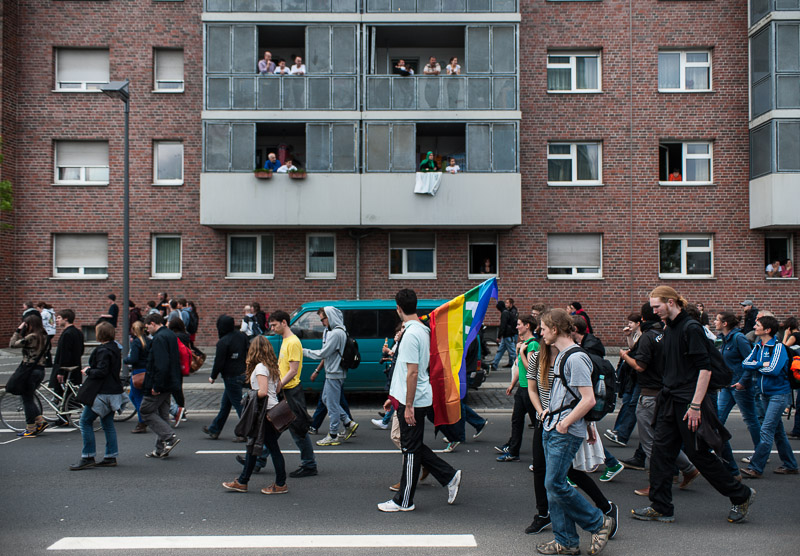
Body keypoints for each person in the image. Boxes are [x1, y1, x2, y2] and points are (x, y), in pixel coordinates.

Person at [632, 286, 754, 525]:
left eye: (657, 306)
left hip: (689, 402)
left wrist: (696, 405)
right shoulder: (671, 328)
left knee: (698, 455)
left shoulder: (691, 328)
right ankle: (661, 507)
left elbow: (705, 368)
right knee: (660, 453)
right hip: (670, 399)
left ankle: (742, 495)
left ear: (670, 302)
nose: (654, 311)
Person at [533, 309, 614, 555]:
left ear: (555, 329)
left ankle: (598, 523)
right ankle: (566, 541)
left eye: (544, 328)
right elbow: (569, 395)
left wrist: (566, 422)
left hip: (564, 430)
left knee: (555, 483)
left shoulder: (575, 358)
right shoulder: (562, 355)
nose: (541, 332)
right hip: (554, 425)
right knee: (553, 485)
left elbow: (588, 399)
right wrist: (550, 411)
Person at [377, 288, 461, 513]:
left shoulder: (412, 334)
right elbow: (406, 369)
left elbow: (412, 372)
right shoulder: (421, 330)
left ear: (398, 308)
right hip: (410, 397)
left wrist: (408, 405)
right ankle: (448, 476)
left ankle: (404, 500)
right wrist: (393, 398)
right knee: (412, 447)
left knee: (411, 449)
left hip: (413, 400)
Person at [620, 302, 699, 496]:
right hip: (665, 392)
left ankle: (656, 484)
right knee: (664, 440)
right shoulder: (665, 334)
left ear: (643, 319)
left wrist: (624, 356)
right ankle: (688, 468)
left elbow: (640, 366)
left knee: (650, 441)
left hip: (649, 394)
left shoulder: (648, 337)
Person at [222, 336, 288, 495]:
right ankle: (243, 481)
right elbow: (277, 389)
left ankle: (280, 484)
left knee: (271, 448)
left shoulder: (259, 367)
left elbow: (263, 392)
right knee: (253, 447)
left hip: (264, 413)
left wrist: (249, 395)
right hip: (269, 411)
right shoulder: (271, 366)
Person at [739, 315, 799, 477]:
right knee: (777, 431)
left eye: (757, 325)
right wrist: (761, 364)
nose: (754, 327)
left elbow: (774, 369)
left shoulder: (778, 347)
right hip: (765, 394)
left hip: (779, 394)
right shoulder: (758, 346)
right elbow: (745, 363)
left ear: (767, 330)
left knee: (766, 430)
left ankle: (756, 468)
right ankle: (791, 464)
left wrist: (757, 366)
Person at [268, 310, 318, 478]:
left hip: (291, 391)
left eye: (274, 325)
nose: (272, 328)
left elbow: (293, 370)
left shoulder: (293, 342)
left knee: (297, 429)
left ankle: (309, 464)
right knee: (276, 425)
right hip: (286, 390)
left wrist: (279, 384)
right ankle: (258, 459)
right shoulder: (286, 340)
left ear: (284, 322)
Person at [70, 322, 124, 470]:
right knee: (108, 424)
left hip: (101, 392)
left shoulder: (102, 351)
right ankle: (110, 456)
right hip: (113, 392)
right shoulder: (115, 348)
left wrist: (88, 371)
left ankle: (88, 456)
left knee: (85, 422)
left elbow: (101, 371)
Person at [303, 306, 359, 446]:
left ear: (330, 317)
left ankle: (333, 435)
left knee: (332, 404)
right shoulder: (339, 330)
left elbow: (323, 353)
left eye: (323, 319)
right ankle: (348, 422)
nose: (322, 322)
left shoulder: (335, 334)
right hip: (335, 372)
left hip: (334, 373)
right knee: (327, 399)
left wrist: (303, 351)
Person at [714, 311, 760, 478]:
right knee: (717, 419)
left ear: (725, 323)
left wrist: (743, 381)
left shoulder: (738, 338)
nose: (714, 321)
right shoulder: (724, 339)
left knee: (751, 420)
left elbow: (750, 361)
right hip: (728, 385)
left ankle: (760, 454)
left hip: (740, 386)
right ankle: (720, 453)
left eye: (717, 319)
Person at [496, 315, 539, 462]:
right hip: (522, 388)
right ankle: (513, 451)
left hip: (530, 390)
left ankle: (541, 456)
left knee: (537, 423)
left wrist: (521, 352)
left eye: (519, 324)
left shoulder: (532, 345)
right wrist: (512, 384)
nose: (516, 327)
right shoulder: (523, 343)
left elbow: (531, 368)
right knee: (516, 420)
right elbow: (519, 367)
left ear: (527, 326)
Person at [140, 313, 182, 459]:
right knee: (163, 414)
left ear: (152, 323)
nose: (147, 331)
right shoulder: (170, 334)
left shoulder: (159, 338)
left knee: (145, 411)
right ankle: (159, 449)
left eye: (147, 327)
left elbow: (161, 364)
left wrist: (156, 386)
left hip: (159, 383)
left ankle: (169, 437)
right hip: (170, 381)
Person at [203, 315, 248, 440]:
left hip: (230, 376)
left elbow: (219, 362)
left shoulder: (223, 342)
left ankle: (245, 432)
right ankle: (214, 429)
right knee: (226, 405)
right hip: (241, 373)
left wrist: (213, 376)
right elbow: (248, 351)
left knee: (239, 406)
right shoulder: (241, 336)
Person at [9, 313, 49, 437]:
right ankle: (40, 421)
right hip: (40, 370)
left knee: (27, 399)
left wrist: (18, 330)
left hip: (29, 371)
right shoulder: (44, 336)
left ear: (30, 324)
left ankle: (30, 428)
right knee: (29, 396)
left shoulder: (32, 337)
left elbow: (12, 344)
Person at [49, 308, 85, 398]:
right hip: (76, 367)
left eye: (59, 318)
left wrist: (61, 371)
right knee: (71, 395)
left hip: (65, 370)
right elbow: (81, 350)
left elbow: (64, 354)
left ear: (66, 318)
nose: (57, 320)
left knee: (62, 396)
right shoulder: (78, 332)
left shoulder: (67, 334)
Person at [125, 320, 149, 434]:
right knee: (135, 396)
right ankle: (144, 416)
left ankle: (142, 421)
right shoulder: (149, 341)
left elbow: (133, 359)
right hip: (147, 371)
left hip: (138, 372)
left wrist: (125, 360)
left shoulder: (136, 342)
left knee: (137, 397)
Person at [492, 300, 516, 371]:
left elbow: (503, 326)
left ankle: (519, 364)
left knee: (512, 351)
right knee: (501, 350)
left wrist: (499, 336)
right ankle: (494, 364)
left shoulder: (504, 314)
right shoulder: (507, 312)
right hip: (507, 335)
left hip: (507, 335)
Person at [36, 302, 56, 366]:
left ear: (41, 307)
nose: (37, 310)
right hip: (52, 331)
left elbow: (43, 323)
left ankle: (47, 361)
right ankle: (48, 361)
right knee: (48, 346)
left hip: (47, 331)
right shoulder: (51, 312)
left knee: (45, 347)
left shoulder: (44, 313)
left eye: (38, 308)